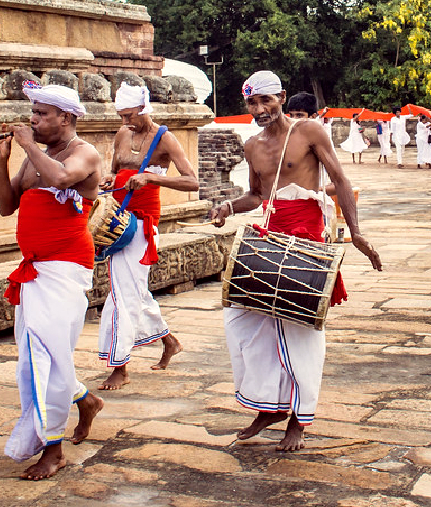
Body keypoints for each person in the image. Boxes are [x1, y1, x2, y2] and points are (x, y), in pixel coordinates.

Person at [209, 70, 383, 452]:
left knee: (299, 332)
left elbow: (339, 177)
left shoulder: (308, 132)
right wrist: (227, 206)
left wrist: (355, 233)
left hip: (306, 235)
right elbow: (256, 197)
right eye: (252, 103)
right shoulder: (251, 145)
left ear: (282, 97)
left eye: (266, 101)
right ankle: (269, 405)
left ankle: (299, 420)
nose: (259, 109)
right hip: (271, 233)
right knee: (242, 320)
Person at [0, 82, 104, 480]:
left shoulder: (83, 153)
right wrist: (0, 162)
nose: (33, 120)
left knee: (45, 356)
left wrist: (26, 145)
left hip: (65, 265)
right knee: (36, 352)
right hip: (34, 265)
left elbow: (61, 180)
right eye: (32, 113)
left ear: (66, 118)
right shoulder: (34, 158)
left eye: (42, 114)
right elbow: (6, 206)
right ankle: (83, 400)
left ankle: (52, 448)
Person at [96, 83, 198, 390]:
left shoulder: (164, 137)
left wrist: (152, 177)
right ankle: (169, 340)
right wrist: (109, 179)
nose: (126, 121)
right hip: (117, 215)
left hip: (142, 222)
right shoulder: (122, 134)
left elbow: (192, 181)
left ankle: (120, 365)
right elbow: (114, 169)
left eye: (130, 115)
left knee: (122, 294)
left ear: (144, 109)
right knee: (131, 289)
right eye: (121, 116)